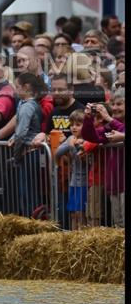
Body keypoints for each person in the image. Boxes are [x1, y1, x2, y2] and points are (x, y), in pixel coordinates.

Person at [81, 92, 125, 228]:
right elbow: (91, 136)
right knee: (118, 224)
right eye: (113, 104)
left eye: (119, 104)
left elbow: (122, 130)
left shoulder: (113, 123)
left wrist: (110, 119)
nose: (115, 107)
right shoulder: (110, 126)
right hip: (114, 182)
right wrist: (88, 118)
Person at [7, 73, 47, 217]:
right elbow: (20, 129)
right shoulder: (25, 105)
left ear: (27, 87)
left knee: (28, 191)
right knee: (27, 190)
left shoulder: (28, 106)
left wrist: (16, 156)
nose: (15, 90)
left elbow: (22, 132)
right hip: (29, 151)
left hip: (29, 152)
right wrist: (13, 137)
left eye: (17, 87)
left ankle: (33, 219)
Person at [54, 109, 92, 230]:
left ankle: (81, 237)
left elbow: (84, 160)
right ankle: (73, 236)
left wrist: (73, 147)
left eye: (78, 125)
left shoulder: (87, 140)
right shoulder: (71, 138)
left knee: (81, 213)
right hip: (73, 182)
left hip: (84, 183)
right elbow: (58, 152)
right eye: (72, 124)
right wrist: (59, 163)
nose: (73, 127)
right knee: (72, 213)